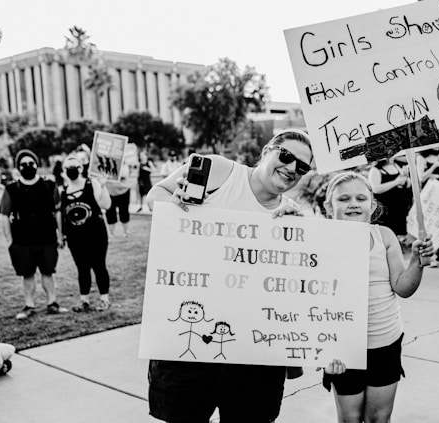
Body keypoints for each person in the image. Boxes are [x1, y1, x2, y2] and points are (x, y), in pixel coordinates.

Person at [145, 129, 313, 423]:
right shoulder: (221, 171)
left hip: (255, 353)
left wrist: (297, 243)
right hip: (189, 338)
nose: (291, 169)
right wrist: (174, 208)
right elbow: (155, 195)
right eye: (285, 156)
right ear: (265, 152)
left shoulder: (292, 215)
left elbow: (291, 289)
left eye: (302, 167)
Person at [321, 172, 433, 423]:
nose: (353, 203)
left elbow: (403, 287)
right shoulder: (318, 239)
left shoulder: (384, 236)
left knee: (379, 418)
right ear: (329, 207)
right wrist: (323, 351)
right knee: (349, 418)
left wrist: (417, 261)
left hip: (385, 341)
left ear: (372, 205)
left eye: (361, 198)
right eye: (344, 198)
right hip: (342, 347)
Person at [0, 149, 67, 320]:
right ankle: (29, 305)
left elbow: (58, 211)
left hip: (47, 238)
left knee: (48, 272)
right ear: (18, 167)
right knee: (27, 274)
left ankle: (52, 303)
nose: (28, 166)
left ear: (36, 165)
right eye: (24, 164)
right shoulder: (12, 189)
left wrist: (60, 235)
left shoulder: (49, 185)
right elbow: (3, 215)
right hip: (22, 241)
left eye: (31, 163)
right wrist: (9, 239)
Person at [60, 155, 112, 312]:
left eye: (74, 167)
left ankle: (104, 299)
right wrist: (62, 235)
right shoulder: (63, 191)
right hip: (75, 238)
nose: (72, 170)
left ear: (81, 168)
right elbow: (62, 217)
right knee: (82, 268)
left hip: (96, 235)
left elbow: (106, 205)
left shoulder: (92, 184)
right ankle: (84, 300)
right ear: (64, 171)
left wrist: (103, 186)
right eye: (68, 168)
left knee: (99, 266)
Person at [368, 154, 412, 246]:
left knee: (396, 231)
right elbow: (375, 189)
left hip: (397, 207)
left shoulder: (395, 166)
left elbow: (405, 184)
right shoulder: (375, 170)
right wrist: (396, 182)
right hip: (385, 208)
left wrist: (406, 177)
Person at [105, 162, 132, 237]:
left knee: (124, 211)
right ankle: (111, 233)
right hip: (110, 191)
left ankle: (126, 231)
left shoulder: (124, 164)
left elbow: (124, 175)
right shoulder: (106, 163)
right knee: (110, 212)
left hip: (123, 191)